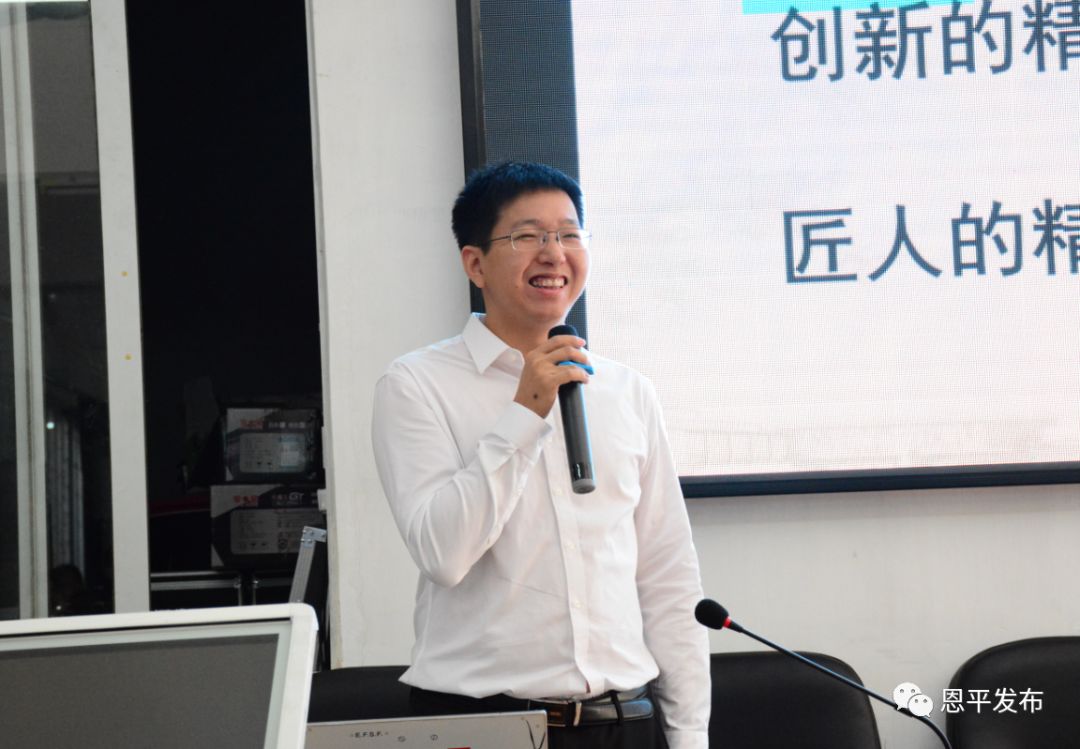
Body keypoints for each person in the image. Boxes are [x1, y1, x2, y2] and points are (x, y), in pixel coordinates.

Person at [372, 161, 710, 748]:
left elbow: (668, 577)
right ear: (475, 263)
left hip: (625, 722)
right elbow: (442, 554)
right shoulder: (415, 384)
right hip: (482, 727)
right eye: (528, 236)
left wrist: (690, 739)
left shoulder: (626, 390)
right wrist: (525, 413)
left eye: (569, 235)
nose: (554, 253)